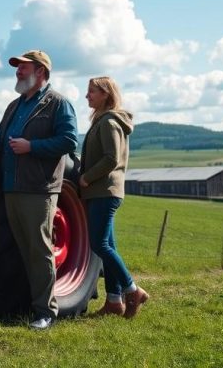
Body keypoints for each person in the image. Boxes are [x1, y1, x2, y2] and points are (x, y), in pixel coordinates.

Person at [0, 50, 78, 330]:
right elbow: (2, 140)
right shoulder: (14, 105)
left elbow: (69, 141)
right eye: (17, 68)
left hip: (38, 188)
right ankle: (23, 305)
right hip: (10, 187)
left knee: (39, 250)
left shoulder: (58, 103)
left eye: (23, 67)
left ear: (41, 72)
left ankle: (46, 312)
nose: (18, 72)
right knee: (22, 249)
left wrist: (32, 147)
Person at [78, 76, 148, 318]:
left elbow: (111, 158)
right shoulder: (103, 120)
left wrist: (86, 177)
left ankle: (133, 290)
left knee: (100, 244)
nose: (87, 96)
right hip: (102, 191)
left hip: (103, 191)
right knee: (109, 245)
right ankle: (114, 302)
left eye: (92, 92)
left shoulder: (109, 122)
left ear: (106, 94)